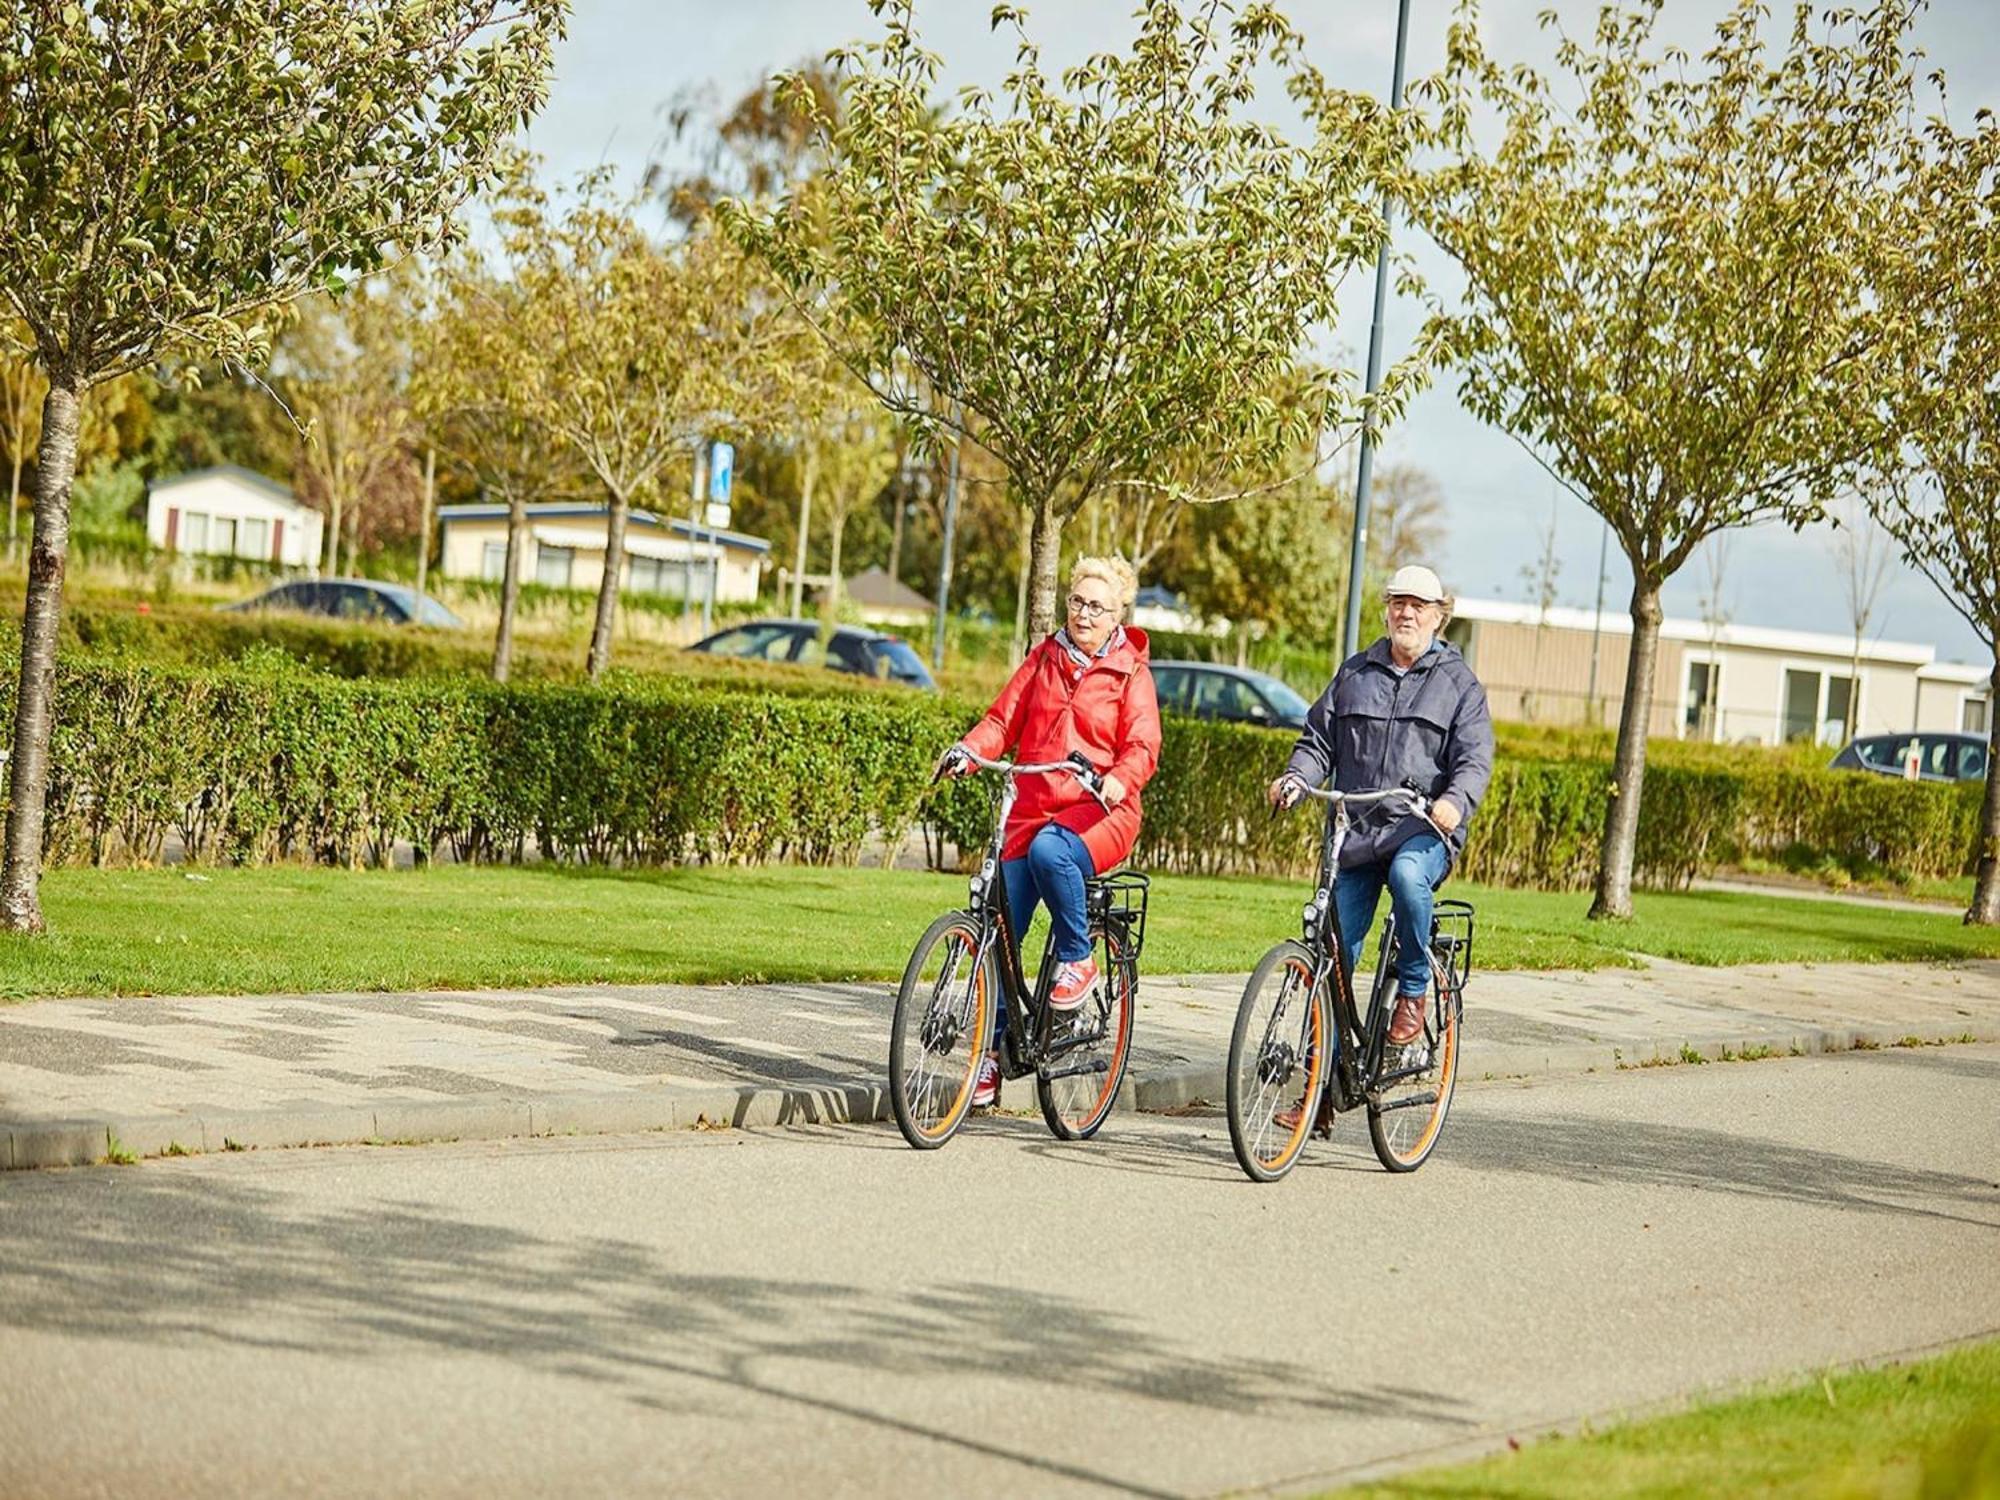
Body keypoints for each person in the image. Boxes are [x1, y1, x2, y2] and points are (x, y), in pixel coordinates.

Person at [942, 556, 1162, 1107]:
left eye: (1097, 606)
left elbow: (1143, 745)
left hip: (1101, 812)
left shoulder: (1131, 671)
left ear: (1119, 615)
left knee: (1052, 852)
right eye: (1077, 602)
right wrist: (970, 751)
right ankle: (989, 1060)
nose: (1084, 613)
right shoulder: (1044, 658)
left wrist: (1119, 779)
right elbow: (1002, 720)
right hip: (1032, 809)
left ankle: (1078, 958)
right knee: (998, 930)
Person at [1269, 564, 1494, 1083]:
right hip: (1357, 835)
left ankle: (1414, 987)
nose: (1406, 612)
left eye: (1418, 604)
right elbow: (1317, 742)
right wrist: (1295, 778)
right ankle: (1319, 1089)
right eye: (1398, 602)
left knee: (1408, 878)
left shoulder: (1459, 684)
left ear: (1439, 616)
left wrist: (1455, 801)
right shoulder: (1356, 673)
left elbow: (1474, 758)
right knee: (1333, 952)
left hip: (1421, 830)